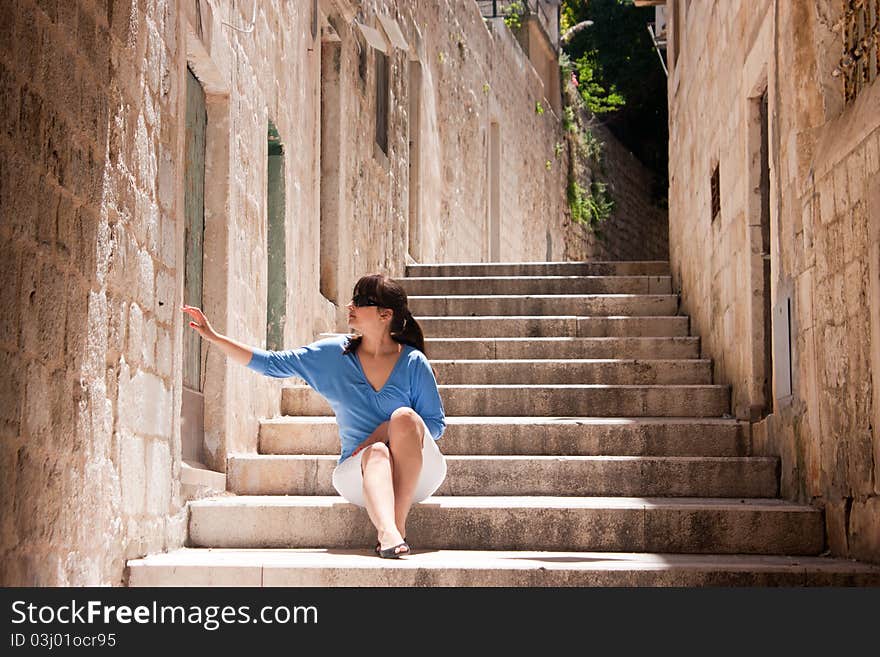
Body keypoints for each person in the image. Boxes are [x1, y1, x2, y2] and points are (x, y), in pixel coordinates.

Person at [181, 273, 447, 558]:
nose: (349, 305)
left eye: (359, 301)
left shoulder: (413, 362)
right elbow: (272, 363)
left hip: (416, 474)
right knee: (377, 452)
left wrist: (385, 428)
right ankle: (389, 533)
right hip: (358, 476)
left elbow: (434, 425)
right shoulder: (334, 355)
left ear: (385, 314)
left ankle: (397, 526)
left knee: (404, 417)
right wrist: (213, 336)